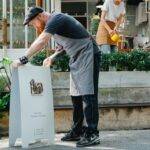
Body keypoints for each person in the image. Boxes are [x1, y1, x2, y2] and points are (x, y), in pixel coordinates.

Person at [12, 7, 101, 147]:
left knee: (88, 94)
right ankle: (77, 131)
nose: (34, 27)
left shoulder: (55, 18)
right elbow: (63, 46)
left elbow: (42, 41)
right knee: (76, 95)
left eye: (32, 23)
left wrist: (23, 59)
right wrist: (52, 57)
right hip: (76, 57)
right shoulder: (55, 22)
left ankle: (92, 133)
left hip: (88, 53)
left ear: (40, 16)